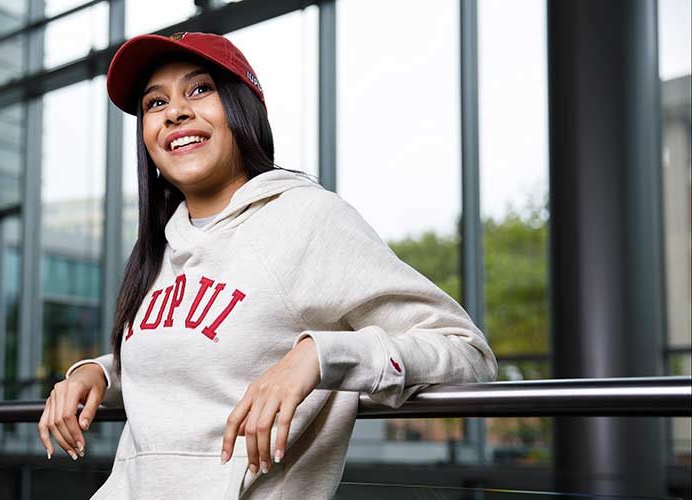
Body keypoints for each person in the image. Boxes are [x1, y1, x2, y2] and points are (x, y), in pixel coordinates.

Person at [37, 31, 497, 500]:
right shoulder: (159, 244)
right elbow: (200, 356)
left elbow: (467, 354)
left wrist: (319, 357)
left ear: (243, 109)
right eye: (155, 103)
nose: (174, 111)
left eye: (200, 90)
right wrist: (99, 373)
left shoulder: (306, 219)